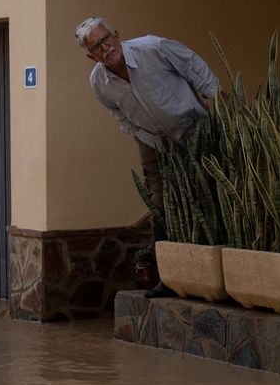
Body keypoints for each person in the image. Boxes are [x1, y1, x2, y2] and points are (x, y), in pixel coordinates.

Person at [76, 16, 220, 298]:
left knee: (208, 194)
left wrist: (218, 96)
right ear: (90, 56)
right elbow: (115, 111)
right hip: (151, 140)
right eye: (96, 47)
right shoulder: (98, 82)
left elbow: (191, 64)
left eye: (106, 39)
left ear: (116, 35)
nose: (105, 48)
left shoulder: (151, 48)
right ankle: (166, 277)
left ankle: (211, 273)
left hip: (192, 130)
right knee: (159, 204)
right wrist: (136, 132)